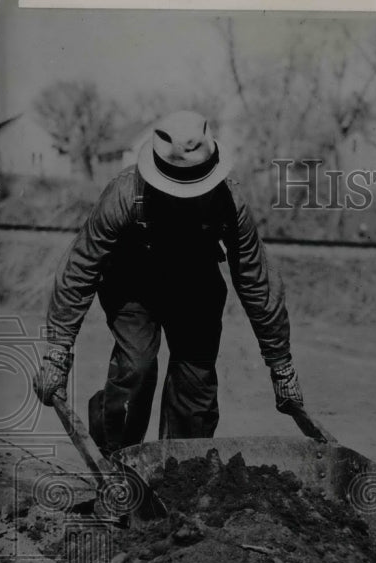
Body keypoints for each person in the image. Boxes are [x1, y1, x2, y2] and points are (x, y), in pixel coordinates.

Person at [33, 110, 304, 452]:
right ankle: (118, 460)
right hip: (131, 286)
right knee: (135, 369)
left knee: (196, 382)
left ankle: (180, 470)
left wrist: (281, 364)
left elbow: (256, 280)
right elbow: (80, 268)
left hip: (195, 287)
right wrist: (58, 352)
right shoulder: (123, 195)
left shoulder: (229, 203)